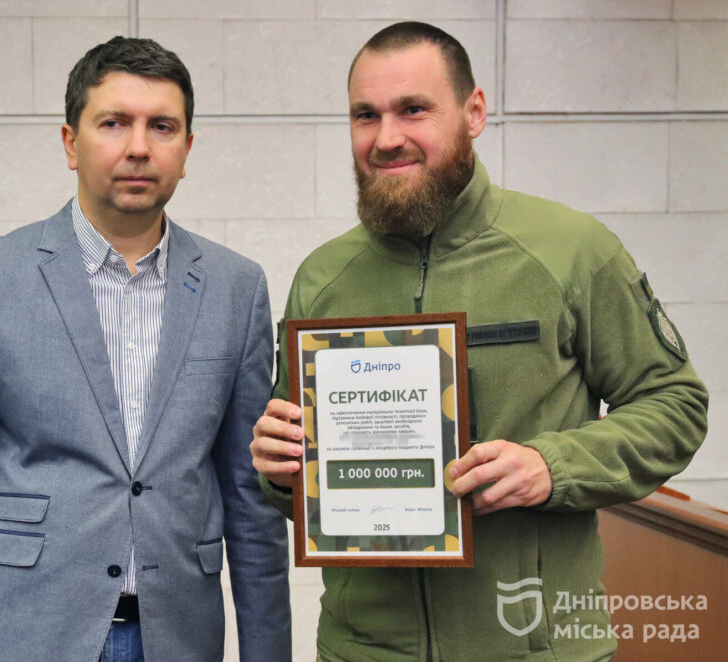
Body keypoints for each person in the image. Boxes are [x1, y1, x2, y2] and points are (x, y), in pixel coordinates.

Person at [251, 21, 707, 662]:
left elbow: (676, 406)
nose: (386, 137)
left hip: (537, 647)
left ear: (473, 113)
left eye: (414, 109)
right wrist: (277, 467)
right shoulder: (323, 277)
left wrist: (553, 467)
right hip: (362, 651)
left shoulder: (572, 251)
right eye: (365, 115)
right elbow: (299, 482)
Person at [0, 36, 291, 662]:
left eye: (162, 126)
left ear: (187, 150)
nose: (139, 147)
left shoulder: (236, 288)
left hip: (179, 634)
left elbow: (252, 498)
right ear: (70, 142)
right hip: (24, 632)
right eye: (113, 123)